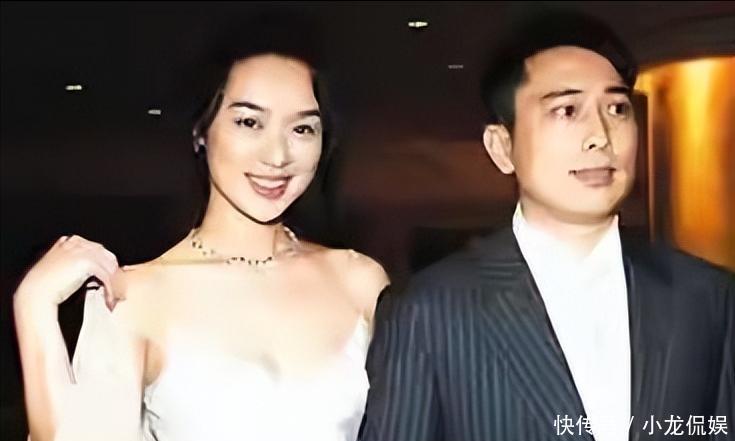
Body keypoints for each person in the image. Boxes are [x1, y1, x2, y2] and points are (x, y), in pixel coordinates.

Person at [360, 10, 733, 441]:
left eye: (617, 108)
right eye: (567, 110)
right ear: (502, 147)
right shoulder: (427, 311)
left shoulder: (707, 296)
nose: (600, 136)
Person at [14, 21, 388, 441]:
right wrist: (33, 304)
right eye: (249, 122)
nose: (278, 155)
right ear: (201, 131)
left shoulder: (359, 282)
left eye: (302, 128)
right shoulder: (134, 296)